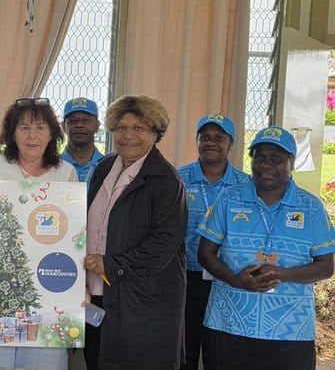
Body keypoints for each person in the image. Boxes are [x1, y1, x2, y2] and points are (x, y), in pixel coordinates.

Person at [198, 126, 335, 370]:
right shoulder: (228, 199)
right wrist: (236, 280)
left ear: (291, 161)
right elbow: (205, 254)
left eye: (276, 158)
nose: (266, 164)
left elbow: (326, 267)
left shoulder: (311, 207)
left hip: (290, 331)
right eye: (259, 156)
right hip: (228, 323)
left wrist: (283, 274)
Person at [0, 97, 78, 369]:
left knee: (43, 360)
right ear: (12, 133)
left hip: (48, 289)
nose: (32, 135)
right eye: (24, 127)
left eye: (40, 127)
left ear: (52, 133)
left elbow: (73, 239)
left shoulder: (66, 173)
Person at [83, 95, 187, 370]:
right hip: (98, 295)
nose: (128, 135)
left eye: (138, 128)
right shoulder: (105, 167)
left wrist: (112, 265)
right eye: (121, 128)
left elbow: (165, 243)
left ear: (156, 133)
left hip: (142, 304)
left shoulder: (165, 180)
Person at [176, 113, 249, 370]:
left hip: (228, 278)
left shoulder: (246, 185)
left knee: (221, 347)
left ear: (231, 143)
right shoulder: (177, 178)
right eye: (204, 137)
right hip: (186, 276)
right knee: (185, 346)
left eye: (219, 137)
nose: (211, 142)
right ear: (197, 141)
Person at [62, 97, 104, 182]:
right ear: (63, 126)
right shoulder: (52, 166)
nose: (79, 125)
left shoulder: (107, 166)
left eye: (86, 120)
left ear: (97, 125)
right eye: (73, 121)